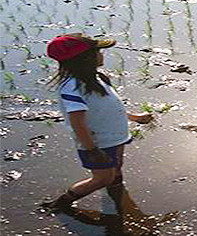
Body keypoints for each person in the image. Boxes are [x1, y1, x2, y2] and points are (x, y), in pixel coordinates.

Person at [41, 34, 153, 211]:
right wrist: (92, 150)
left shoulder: (97, 77)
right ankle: (61, 203)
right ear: (84, 59)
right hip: (96, 142)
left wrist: (134, 117)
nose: (102, 55)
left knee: (115, 168)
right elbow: (77, 122)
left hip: (114, 136)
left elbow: (110, 106)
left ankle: (117, 195)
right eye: (98, 51)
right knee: (102, 178)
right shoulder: (72, 87)